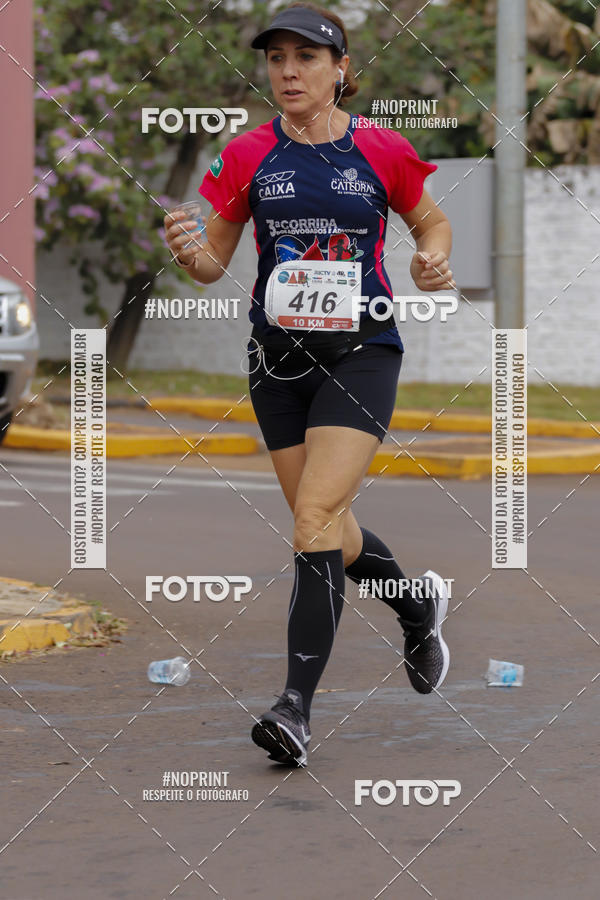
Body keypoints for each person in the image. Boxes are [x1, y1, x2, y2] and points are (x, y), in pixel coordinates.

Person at [164, 3, 454, 767]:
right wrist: (185, 246)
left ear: (341, 69)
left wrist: (430, 258)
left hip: (362, 353)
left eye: (307, 57)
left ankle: (294, 708)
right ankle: (416, 605)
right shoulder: (249, 153)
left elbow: (431, 221)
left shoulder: (381, 148)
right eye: (276, 58)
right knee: (323, 522)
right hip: (277, 362)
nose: (288, 71)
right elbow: (211, 267)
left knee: (315, 517)